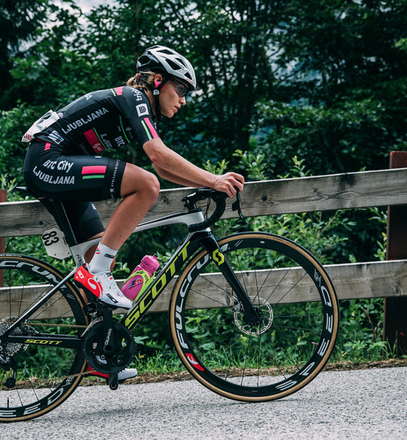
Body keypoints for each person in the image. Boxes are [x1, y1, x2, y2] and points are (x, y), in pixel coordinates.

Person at [22, 46, 244, 378]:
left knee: (95, 251)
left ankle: (95, 354)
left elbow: (168, 168)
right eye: (180, 89)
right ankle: (97, 271)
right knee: (145, 185)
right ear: (157, 81)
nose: (183, 99)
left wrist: (206, 183)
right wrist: (212, 178)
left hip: (56, 166)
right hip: (48, 161)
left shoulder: (141, 106)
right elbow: (157, 158)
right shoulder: (134, 97)